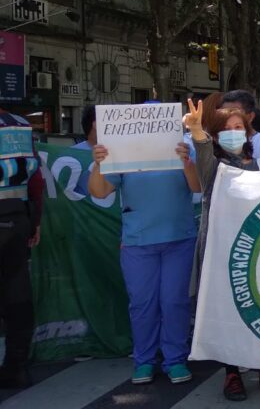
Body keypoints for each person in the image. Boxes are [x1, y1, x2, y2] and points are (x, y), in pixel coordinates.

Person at [181, 100, 260, 401]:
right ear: (216, 136)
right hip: (221, 250)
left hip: (259, 251)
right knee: (226, 311)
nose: (233, 133)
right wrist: (197, 130)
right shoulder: (214, 167)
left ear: (248, 133)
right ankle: (232, 373)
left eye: (238, 128)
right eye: (226, 130)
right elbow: (201, 151)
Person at [88, 133, 199, 387]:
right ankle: (145, 360)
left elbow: (197, 187)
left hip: (178, 239)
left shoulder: (182, 150)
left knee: (174, 302)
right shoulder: (122, 155)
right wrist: (98, 164)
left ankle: (175, 359)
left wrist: (186, 162)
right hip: (138, 242)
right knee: (142, 304)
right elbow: (99, 190)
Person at [0, 108, 43, 389]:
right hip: (15, 217)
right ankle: (16, 366)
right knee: (16, 291)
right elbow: (36, 180)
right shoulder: (19, 125)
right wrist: (34, 222)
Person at [220, 90, 260, 169]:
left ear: (250, 116)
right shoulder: (217, 142)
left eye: (236, 113)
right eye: (225, 113)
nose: (229, 117)